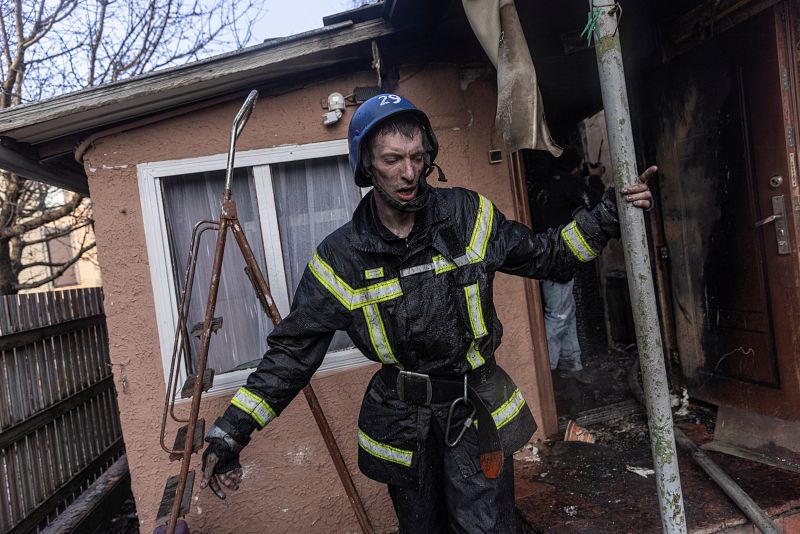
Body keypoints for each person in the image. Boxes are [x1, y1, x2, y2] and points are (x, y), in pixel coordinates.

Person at [199, 94, 653, 533]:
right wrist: (232, 431)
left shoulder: (468, 216)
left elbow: (550, 255)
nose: (409, 172)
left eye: (417, 156)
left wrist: (610, 214)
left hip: (477, 413)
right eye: (393, 159)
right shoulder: (341, 259)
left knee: (487, 528)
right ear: (366, 166)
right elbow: (291, 354)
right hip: (402, 426)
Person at [529, 147, 607, 382]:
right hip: (559, 258)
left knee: (565, 310)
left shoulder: (541, 187)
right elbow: (593, 202)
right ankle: (549, 370)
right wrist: (594, 177)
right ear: (575, 166)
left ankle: (571, 361)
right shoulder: (569, 184)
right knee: (558, 315)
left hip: (542, 255)